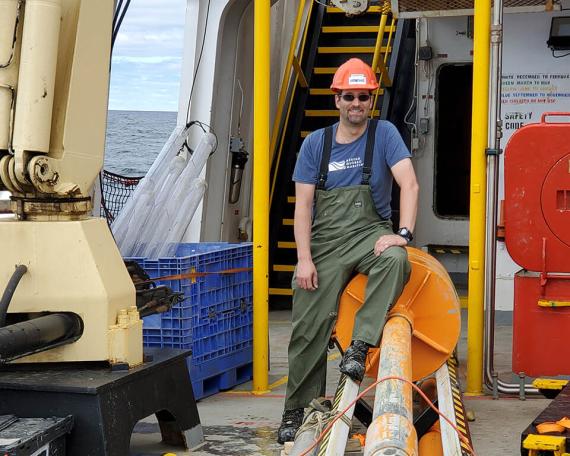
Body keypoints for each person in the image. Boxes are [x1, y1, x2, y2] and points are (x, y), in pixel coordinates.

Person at [277, 58, 419, 444]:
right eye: (349, 96)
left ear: (371, 99)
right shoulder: (315, 144)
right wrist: (304, 258)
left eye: (363, 97)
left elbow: (408, 184)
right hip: (324, 242)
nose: (356, 103)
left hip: (370, 232)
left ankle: (358, 345)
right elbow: (303, 207)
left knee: (395, 260)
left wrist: (402, 233)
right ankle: (297, 410)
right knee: (308, 328)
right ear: (336, 98)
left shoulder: (385, 133)